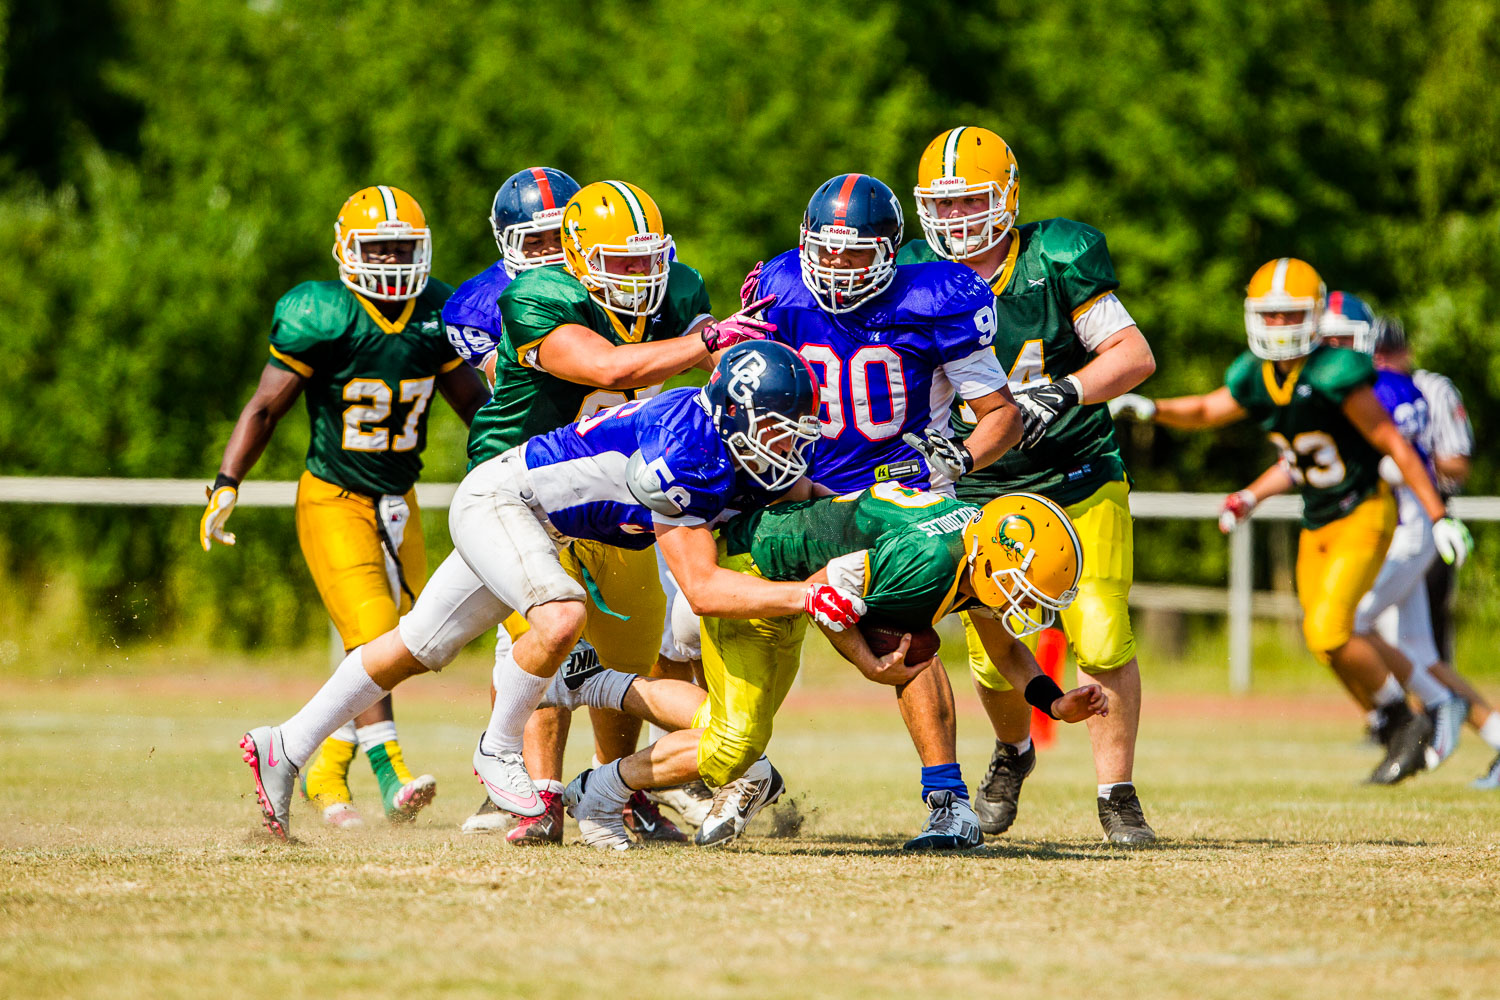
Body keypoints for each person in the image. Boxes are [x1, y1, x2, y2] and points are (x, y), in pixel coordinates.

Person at [238, 341, 866, 841]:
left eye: (794, 431)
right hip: (505, 502)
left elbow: (810, 498)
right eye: (777, 431)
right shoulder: (686, 450)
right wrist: (807, 596)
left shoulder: (728, 442)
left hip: (535, 524)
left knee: (416, 646)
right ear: (734, 416)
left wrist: (886, 508)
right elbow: (700, 589)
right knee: (562, 615)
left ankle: (285, 746)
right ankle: (498, 750)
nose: (788, 447)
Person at [561, 486, 1110, 851]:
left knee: (737, 732)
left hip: (791, 575)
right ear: (992, 558)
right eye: (1023, 586)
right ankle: (598, 790)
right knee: (733, 744)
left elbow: (1006, 647)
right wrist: (869, 663)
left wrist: (1052, 701)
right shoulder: (929, 564)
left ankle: (595, 682)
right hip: (758, 573)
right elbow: (825, 589)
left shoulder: (973, 550)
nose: (1027, 602)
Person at [742, 171, 1025, 847]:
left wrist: (954, 462)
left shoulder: (936, 296)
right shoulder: (779, 288)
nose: (837, 267)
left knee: (906, 635)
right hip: (803, 495)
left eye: (855, 253)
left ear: (891, 251)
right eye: (827, 249)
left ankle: (948, 803)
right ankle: (730, 768)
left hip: (899, 496)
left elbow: (999, 415)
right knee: (705, 619)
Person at [1110, 259, 1471, 783]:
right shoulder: (1255, 375)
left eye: (1289, 315)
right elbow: (1212, 411)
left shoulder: (1335, 373)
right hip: (1317, 518)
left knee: (1332, 630)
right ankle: (1391, 719)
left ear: (1314, 316)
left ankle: (1404, 720)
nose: (1278, 326)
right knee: (1321, 637)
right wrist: (1151, 409)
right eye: (1270, 315)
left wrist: (1438, 516)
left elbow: (1395, 443)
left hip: (1364, 512)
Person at [897, 127, 1158, 844]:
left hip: (1075, 475)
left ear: (1008, 196)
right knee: (989, 651)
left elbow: (1133, 355)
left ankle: (1117, 795)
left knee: (1100, 633)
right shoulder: (914, 270)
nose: (954, 221)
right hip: (981, 484)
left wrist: (1063, 391)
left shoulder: (1057, 257)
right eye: (941, 206)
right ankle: (1013, 753)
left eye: (970, 202)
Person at [202, 185, 489, 828]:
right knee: (372, 634)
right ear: (347, 251)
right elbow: (265, 406)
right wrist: (226, 480)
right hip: (334, 494)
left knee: (413, 643)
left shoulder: (436, 311)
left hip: (401, 498)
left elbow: (474, 406)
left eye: (402, 248)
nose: (390, 261)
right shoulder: (323, 314)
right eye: (378, 247)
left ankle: (328, 762)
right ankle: (391, 774)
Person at [442, 168, 683, 844]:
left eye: (645, 258)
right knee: (539, 643)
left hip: (621, 502)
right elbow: (597, 373)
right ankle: (537, 793)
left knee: (627, 656)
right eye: (538, 238)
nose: (547, 252)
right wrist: (714, 339)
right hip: (539, 496)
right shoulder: (516, 298)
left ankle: (615, 790)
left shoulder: (668, 288)